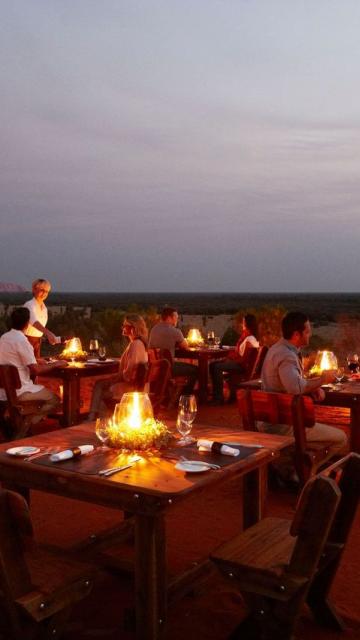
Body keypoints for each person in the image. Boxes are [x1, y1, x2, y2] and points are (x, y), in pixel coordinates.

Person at [261, 311, 348, 482]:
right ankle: (308, 476)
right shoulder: (286, 355)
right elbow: (295, 387)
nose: (310, 334)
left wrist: (310, 387)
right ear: (296, 334)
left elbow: (292, 383)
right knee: (341, 439)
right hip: (282, 425)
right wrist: (322, 379)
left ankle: (290, 469)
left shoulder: (277, 349)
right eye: (307, 331)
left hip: (268, 419)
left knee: (319, 437)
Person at [0, 307, 66, 430]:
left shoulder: (4, 338)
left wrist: (38, 360)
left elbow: (13, 359)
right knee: (55, 399)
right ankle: (26, 425)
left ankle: (20, 423)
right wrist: (56, 364)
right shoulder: (22, 341)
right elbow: (36, 370)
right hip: (20, 392)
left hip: (3, 391)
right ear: (26, 324)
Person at [88, 314, 149, 420]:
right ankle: (95, 418)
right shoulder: (140, 343)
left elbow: (128, 375)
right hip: (138, 386)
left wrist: (116, 378)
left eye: (125, 325)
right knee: (101, 384)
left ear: (133, 328)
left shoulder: (135, 345)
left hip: (130, 388)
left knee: (101, 387)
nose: (123, 327)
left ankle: (94, 418)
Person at [209, 314, 259, 405]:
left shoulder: (250, 340)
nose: (241, 324)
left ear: (247, 324)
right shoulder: (247, 337)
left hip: (242, 367)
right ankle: (216, 395)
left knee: (217, 367)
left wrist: (230, 360)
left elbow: (244, 360)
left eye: (243, 322)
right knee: (212, 365)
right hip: (241, 364)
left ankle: (218, 398)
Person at [148, 306, 198, 393]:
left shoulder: (154, 329)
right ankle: (185, 395)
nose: (177, 320)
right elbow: (185, 347)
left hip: (155, 367)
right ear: (169, 317)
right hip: (168, 368)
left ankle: (175, 394)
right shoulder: (175, 331)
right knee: (196, 370)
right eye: (176, 317)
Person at [23, 279, 61, 358]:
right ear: (34, 289)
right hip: (26, 341)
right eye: (42, 290)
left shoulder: (44, 309)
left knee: (36, 364)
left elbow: (39, 329)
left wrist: (48, 338)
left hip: (37, 342)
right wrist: (48, 333)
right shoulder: (29, 305)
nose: (44, 293)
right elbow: (34, 322)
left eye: (47, 291)